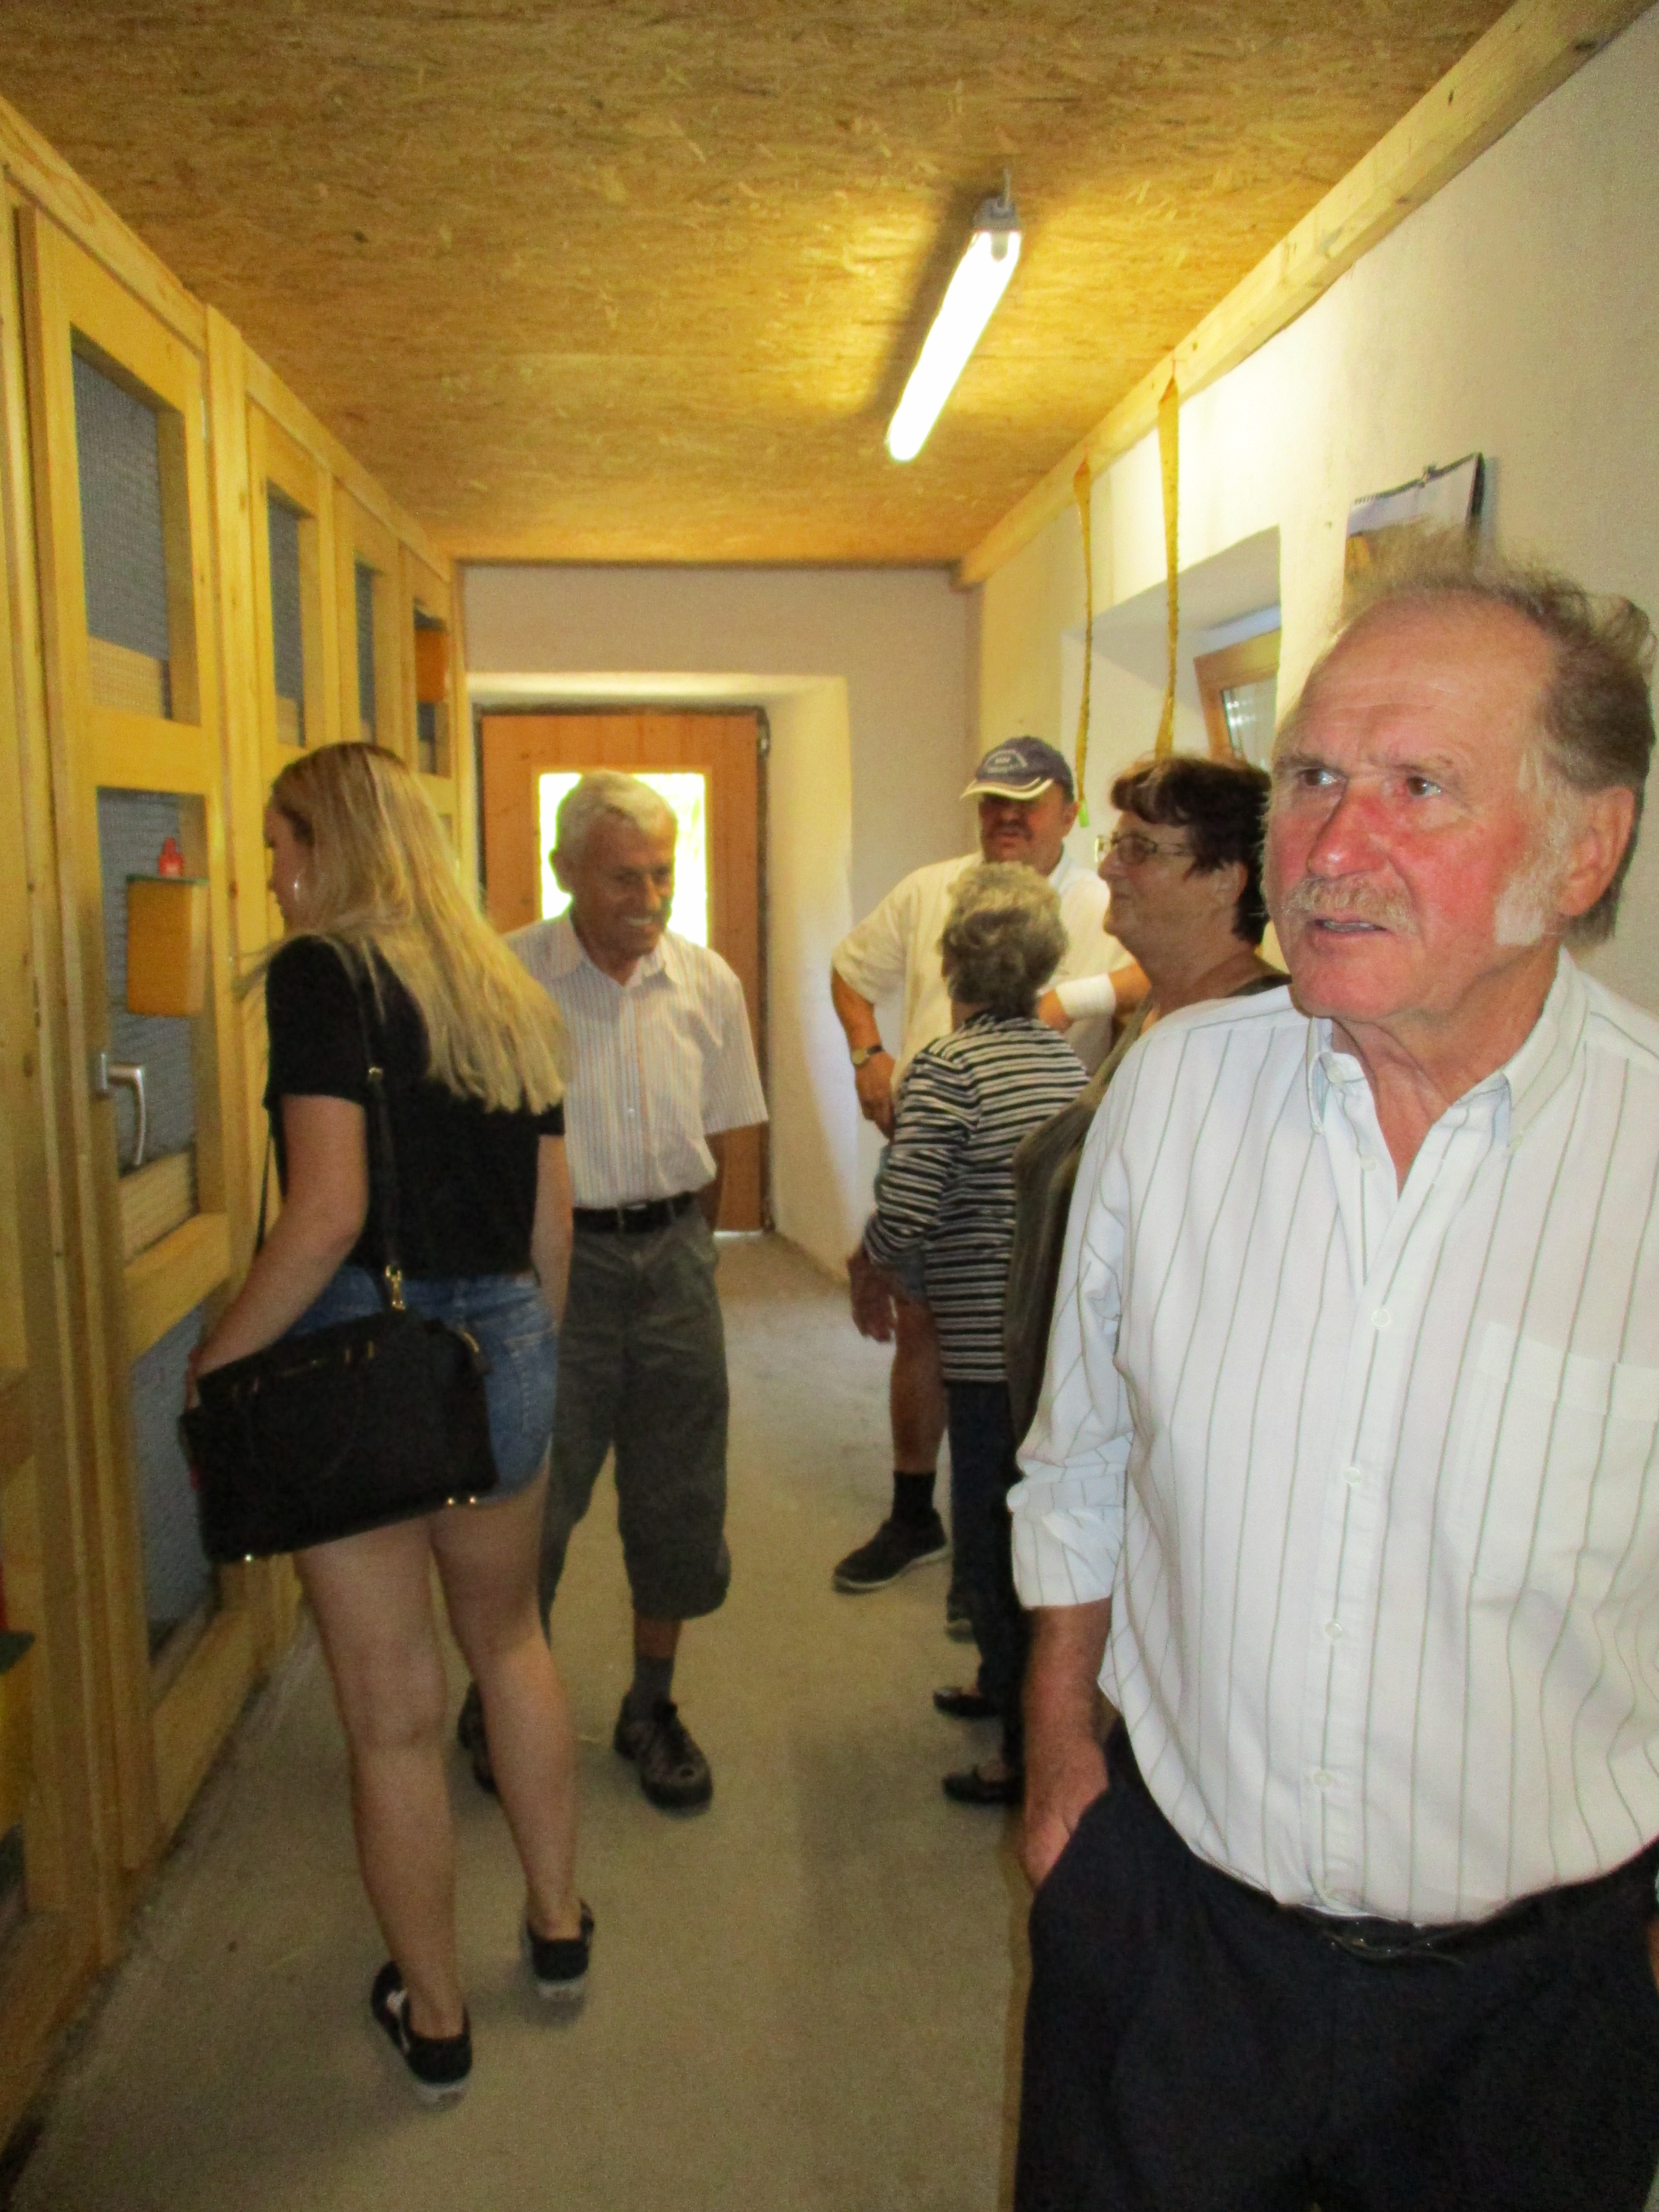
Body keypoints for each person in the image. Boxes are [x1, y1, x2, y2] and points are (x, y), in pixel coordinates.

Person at [1010, 557, 1659, 2211]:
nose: (1329, 846)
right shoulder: (1174, 1092)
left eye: (1418, 786)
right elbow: (1080, 1456)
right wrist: (1060, 1753)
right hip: (1176, 1934)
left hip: (1530, 2012)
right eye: (1309, 777)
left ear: (1584, 849)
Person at [189, 742, 587, 2108]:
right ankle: (557, 1925)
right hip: (507, 1343)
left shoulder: (322, 976)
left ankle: (436, 2017)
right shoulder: (503, 983)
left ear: (331, 843)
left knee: (393, 1713)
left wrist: (217, 1365)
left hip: (361, 1362)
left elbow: (326, 1215)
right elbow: (551, 1222)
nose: (272, 871)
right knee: (512, 1644)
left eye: (280, 841)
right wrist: (531, 1357)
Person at [461, 771, 766, 1815]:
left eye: (663, 874)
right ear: (565, 872)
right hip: (552, 1268)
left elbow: (719, 1138)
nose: (650, 898)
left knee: (680, 1496)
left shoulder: (707, 982)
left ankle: (653, 1704)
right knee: (534, 1500)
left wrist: (689, 1252)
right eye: (624, 877)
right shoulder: (507, 980)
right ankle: (503, 1695)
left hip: (675, 1259)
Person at [830, 736, 1145, 1609]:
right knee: (926, 1329)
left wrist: (1065, 1000)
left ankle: (1015, 1564)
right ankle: (917, 1517)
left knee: (1031, 1355)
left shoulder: (1103, 895)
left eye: (1026, 802)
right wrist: (867, 1055)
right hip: (935, 1139)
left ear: (1069, 811)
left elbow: (1158, 971)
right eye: (992, 803)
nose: (1006, 817)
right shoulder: (930, 888)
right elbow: (851, 972)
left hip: (1047, 1159)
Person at [856, 865, 1089, 1804]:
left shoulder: (949, 1068)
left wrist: (869, 1261)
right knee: (1026, 1523)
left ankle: (1023, 1751)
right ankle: (1002, 1685)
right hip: (1046, 1342)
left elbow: (910, 1201)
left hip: (985, 1349)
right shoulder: (1065, 1064)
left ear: (953, 966)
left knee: (993, 1540)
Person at [1001, 752, 1279, 1443]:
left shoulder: (1257, 1041)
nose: (1108, 869)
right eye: (1114, 844)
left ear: (1225, 880)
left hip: (1154, 1446)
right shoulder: (1160, 1011)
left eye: (1140, 849)